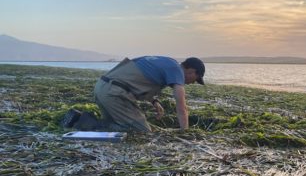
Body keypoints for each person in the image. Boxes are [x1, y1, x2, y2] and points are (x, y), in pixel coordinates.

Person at [61, 56, 205, 132]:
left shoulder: (165, 62)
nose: (192, 83)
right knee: (141, 131)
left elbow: (138, 78)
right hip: (114, 93)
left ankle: (80, 120)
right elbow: (182, 107)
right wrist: (185, 132)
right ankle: (81, 121)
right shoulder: (177, 71)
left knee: (114, 125)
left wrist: (154, 101)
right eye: (195, 79)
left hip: (103, 87)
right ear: (191, 70)